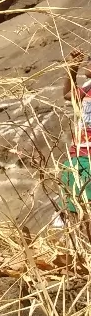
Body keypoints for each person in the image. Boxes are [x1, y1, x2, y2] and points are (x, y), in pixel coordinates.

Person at [59, 49, 91, 216]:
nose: (87, 61)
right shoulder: (88, 87)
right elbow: (68, 95)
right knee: (74, 211)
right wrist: (72, 67)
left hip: (89, 159)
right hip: (78, 156)